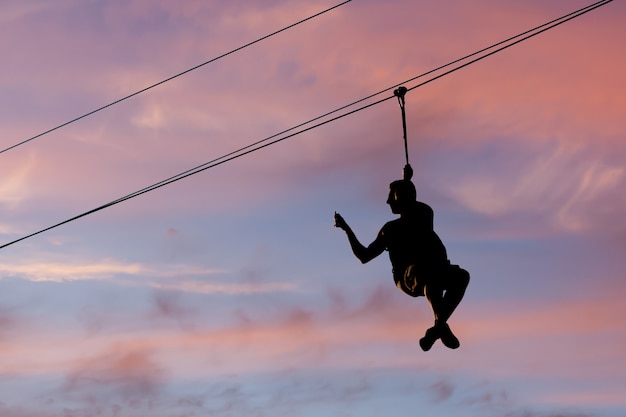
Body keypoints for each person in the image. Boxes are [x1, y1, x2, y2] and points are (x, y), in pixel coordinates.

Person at [334, 167, 469, 351]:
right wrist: (347, 229)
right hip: (408, 277)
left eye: (392, 196)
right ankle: (440, 327)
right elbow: (364, 256)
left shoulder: (424, 214)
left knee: (461, 277)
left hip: (434, 268)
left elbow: (412, 201)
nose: (388, 201)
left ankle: (438, 328)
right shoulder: (389, 230)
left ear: (400, 197)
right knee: (427, 277)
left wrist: (406, 180)